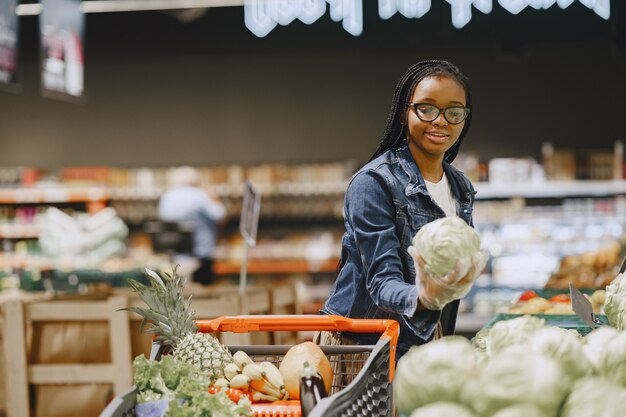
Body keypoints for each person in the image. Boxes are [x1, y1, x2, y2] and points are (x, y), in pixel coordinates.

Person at [319, 59, 484, 361]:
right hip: (363, 344)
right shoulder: (374, 182)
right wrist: (425, 296)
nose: (441, 121)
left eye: (454, 111)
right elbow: (382, 284)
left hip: (424, 338)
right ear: (403, 112)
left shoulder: (460, 186)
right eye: (427, 108)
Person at [158, 166, 226, 285]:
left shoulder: (166, 197)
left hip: (175, 256)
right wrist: (214, 197)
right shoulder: (199, 195)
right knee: (204, 296)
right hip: (200, 255)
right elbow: (220, 215)